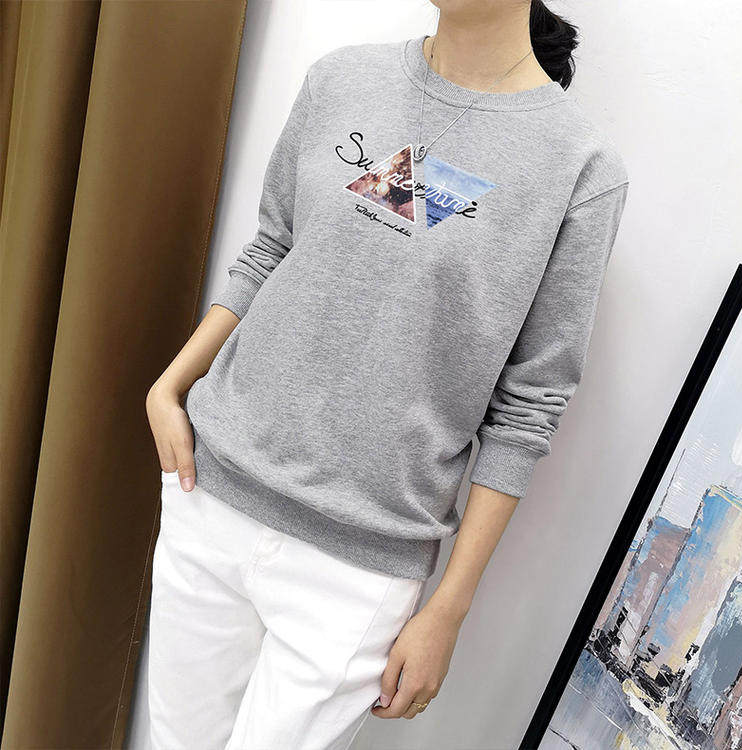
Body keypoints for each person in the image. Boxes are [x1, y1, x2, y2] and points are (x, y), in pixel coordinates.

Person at [145, 1, 629, 748]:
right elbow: (271, 249)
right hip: (212, 495)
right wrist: (170, 385)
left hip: (358, 564)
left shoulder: (579, 169)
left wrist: (448, 609)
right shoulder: (342, 80)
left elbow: (528, 407)